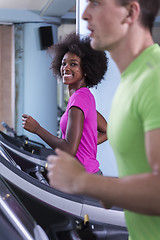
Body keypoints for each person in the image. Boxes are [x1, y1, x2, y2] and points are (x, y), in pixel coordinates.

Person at [47, 0, 160, 239]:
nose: (86, 14)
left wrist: (84, 182)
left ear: (130, 11)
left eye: (96, 4)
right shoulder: (131, 81)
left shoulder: (154, 78)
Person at [22, 33, 108, 174]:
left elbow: (69, 149)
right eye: (63, 63)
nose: (66, 68)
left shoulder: (78, 100)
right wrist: (85, 147)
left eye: (73, 64)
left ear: (86, 69)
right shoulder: (85, 96)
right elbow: (106, 131)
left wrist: (37, 129)